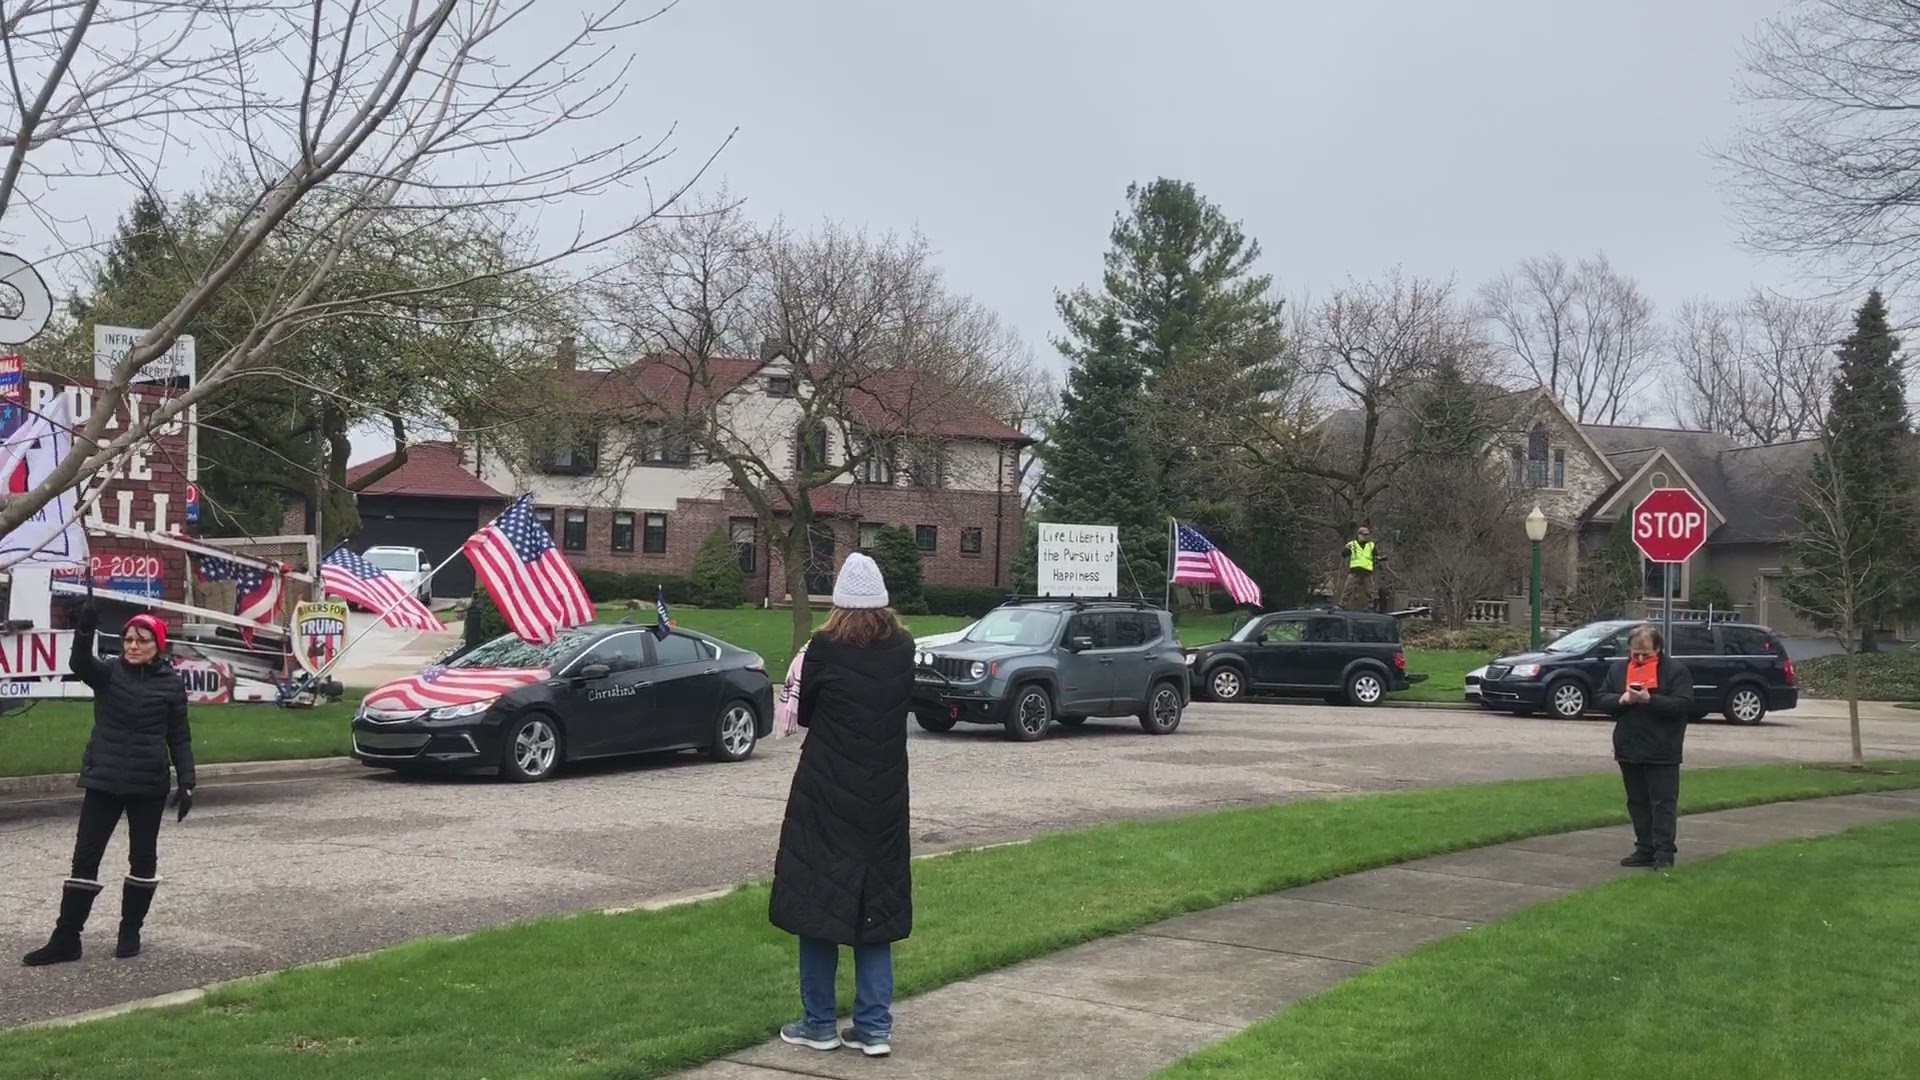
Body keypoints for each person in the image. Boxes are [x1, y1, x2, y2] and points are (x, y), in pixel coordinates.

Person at [770, 552, 913, 1058]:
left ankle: (819, 1023)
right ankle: (874, 1027)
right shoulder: (903, 647)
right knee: (876, 910)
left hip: (827, 793)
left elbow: (805, 711)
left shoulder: (824, 649)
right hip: (885, 796)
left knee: (818, 906)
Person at [22, 607, 195, 966]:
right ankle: (67, 938)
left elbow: (179, 736)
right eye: (128, 639)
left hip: (148, 784)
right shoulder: (109, 673)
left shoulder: (171, 684)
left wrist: (188, 779)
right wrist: (84, 630)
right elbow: (80, 663)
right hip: (103, 779)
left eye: (141, 641)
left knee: (143, 858)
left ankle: (130, 930)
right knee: (85, 857)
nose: (132, 646)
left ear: (157, 646)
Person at [1597, 624, 1694, 869]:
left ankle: (1664, 852)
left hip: (1663, 747)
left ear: (1659, 648)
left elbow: (1682, 705)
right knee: (1637, 801)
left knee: (1662, 802)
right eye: (1635, 653)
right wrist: (1623, 699)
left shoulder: (1675, 671)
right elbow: (1601, 698)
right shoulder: (1619, 669)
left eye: (1646, 654)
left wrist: (1651, 700)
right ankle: (1644, 848)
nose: (1639, 658)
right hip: (1629, 745)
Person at [1341, 526, 1379, 608]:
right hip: (1355, 570)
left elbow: (1376, 555)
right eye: (1363, 535)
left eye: (1367, 535)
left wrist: (1377, 559)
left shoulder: (1371, 545)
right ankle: (1343, 603)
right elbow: (1344, 554)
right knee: (1348, 588)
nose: (1365, 536)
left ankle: (1371, 605)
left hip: (1367, 571)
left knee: (1370, 590)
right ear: (1358, 535)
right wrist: (1346, 549)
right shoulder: (1352, 545)